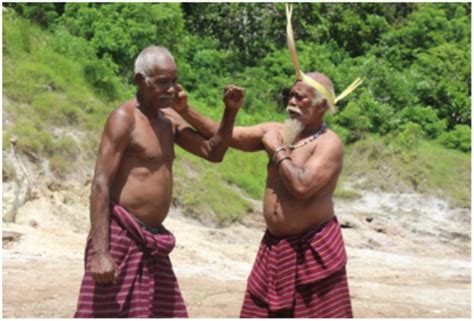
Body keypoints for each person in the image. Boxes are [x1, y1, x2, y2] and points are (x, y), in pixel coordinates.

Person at [74, 46, 245, 318]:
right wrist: (100, 253)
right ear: (140, 81)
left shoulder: (169, 121)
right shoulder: (124, 119)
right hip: (121, 235)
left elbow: (213, 152)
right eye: (162, 82)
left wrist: (230, 112)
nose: (171, 88)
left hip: (153, 241)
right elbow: (100, 184)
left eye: (174, 80)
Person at [172, 71, 353, 318]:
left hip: (312, 251)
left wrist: (277, 149)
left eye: (300, 98)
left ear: (321, 106)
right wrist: (186, 110)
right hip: (275, 247)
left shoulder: (329, 144)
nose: (292, 102)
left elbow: (301, 187)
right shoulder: (278, 131)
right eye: (291, 96)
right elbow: (225, 135)